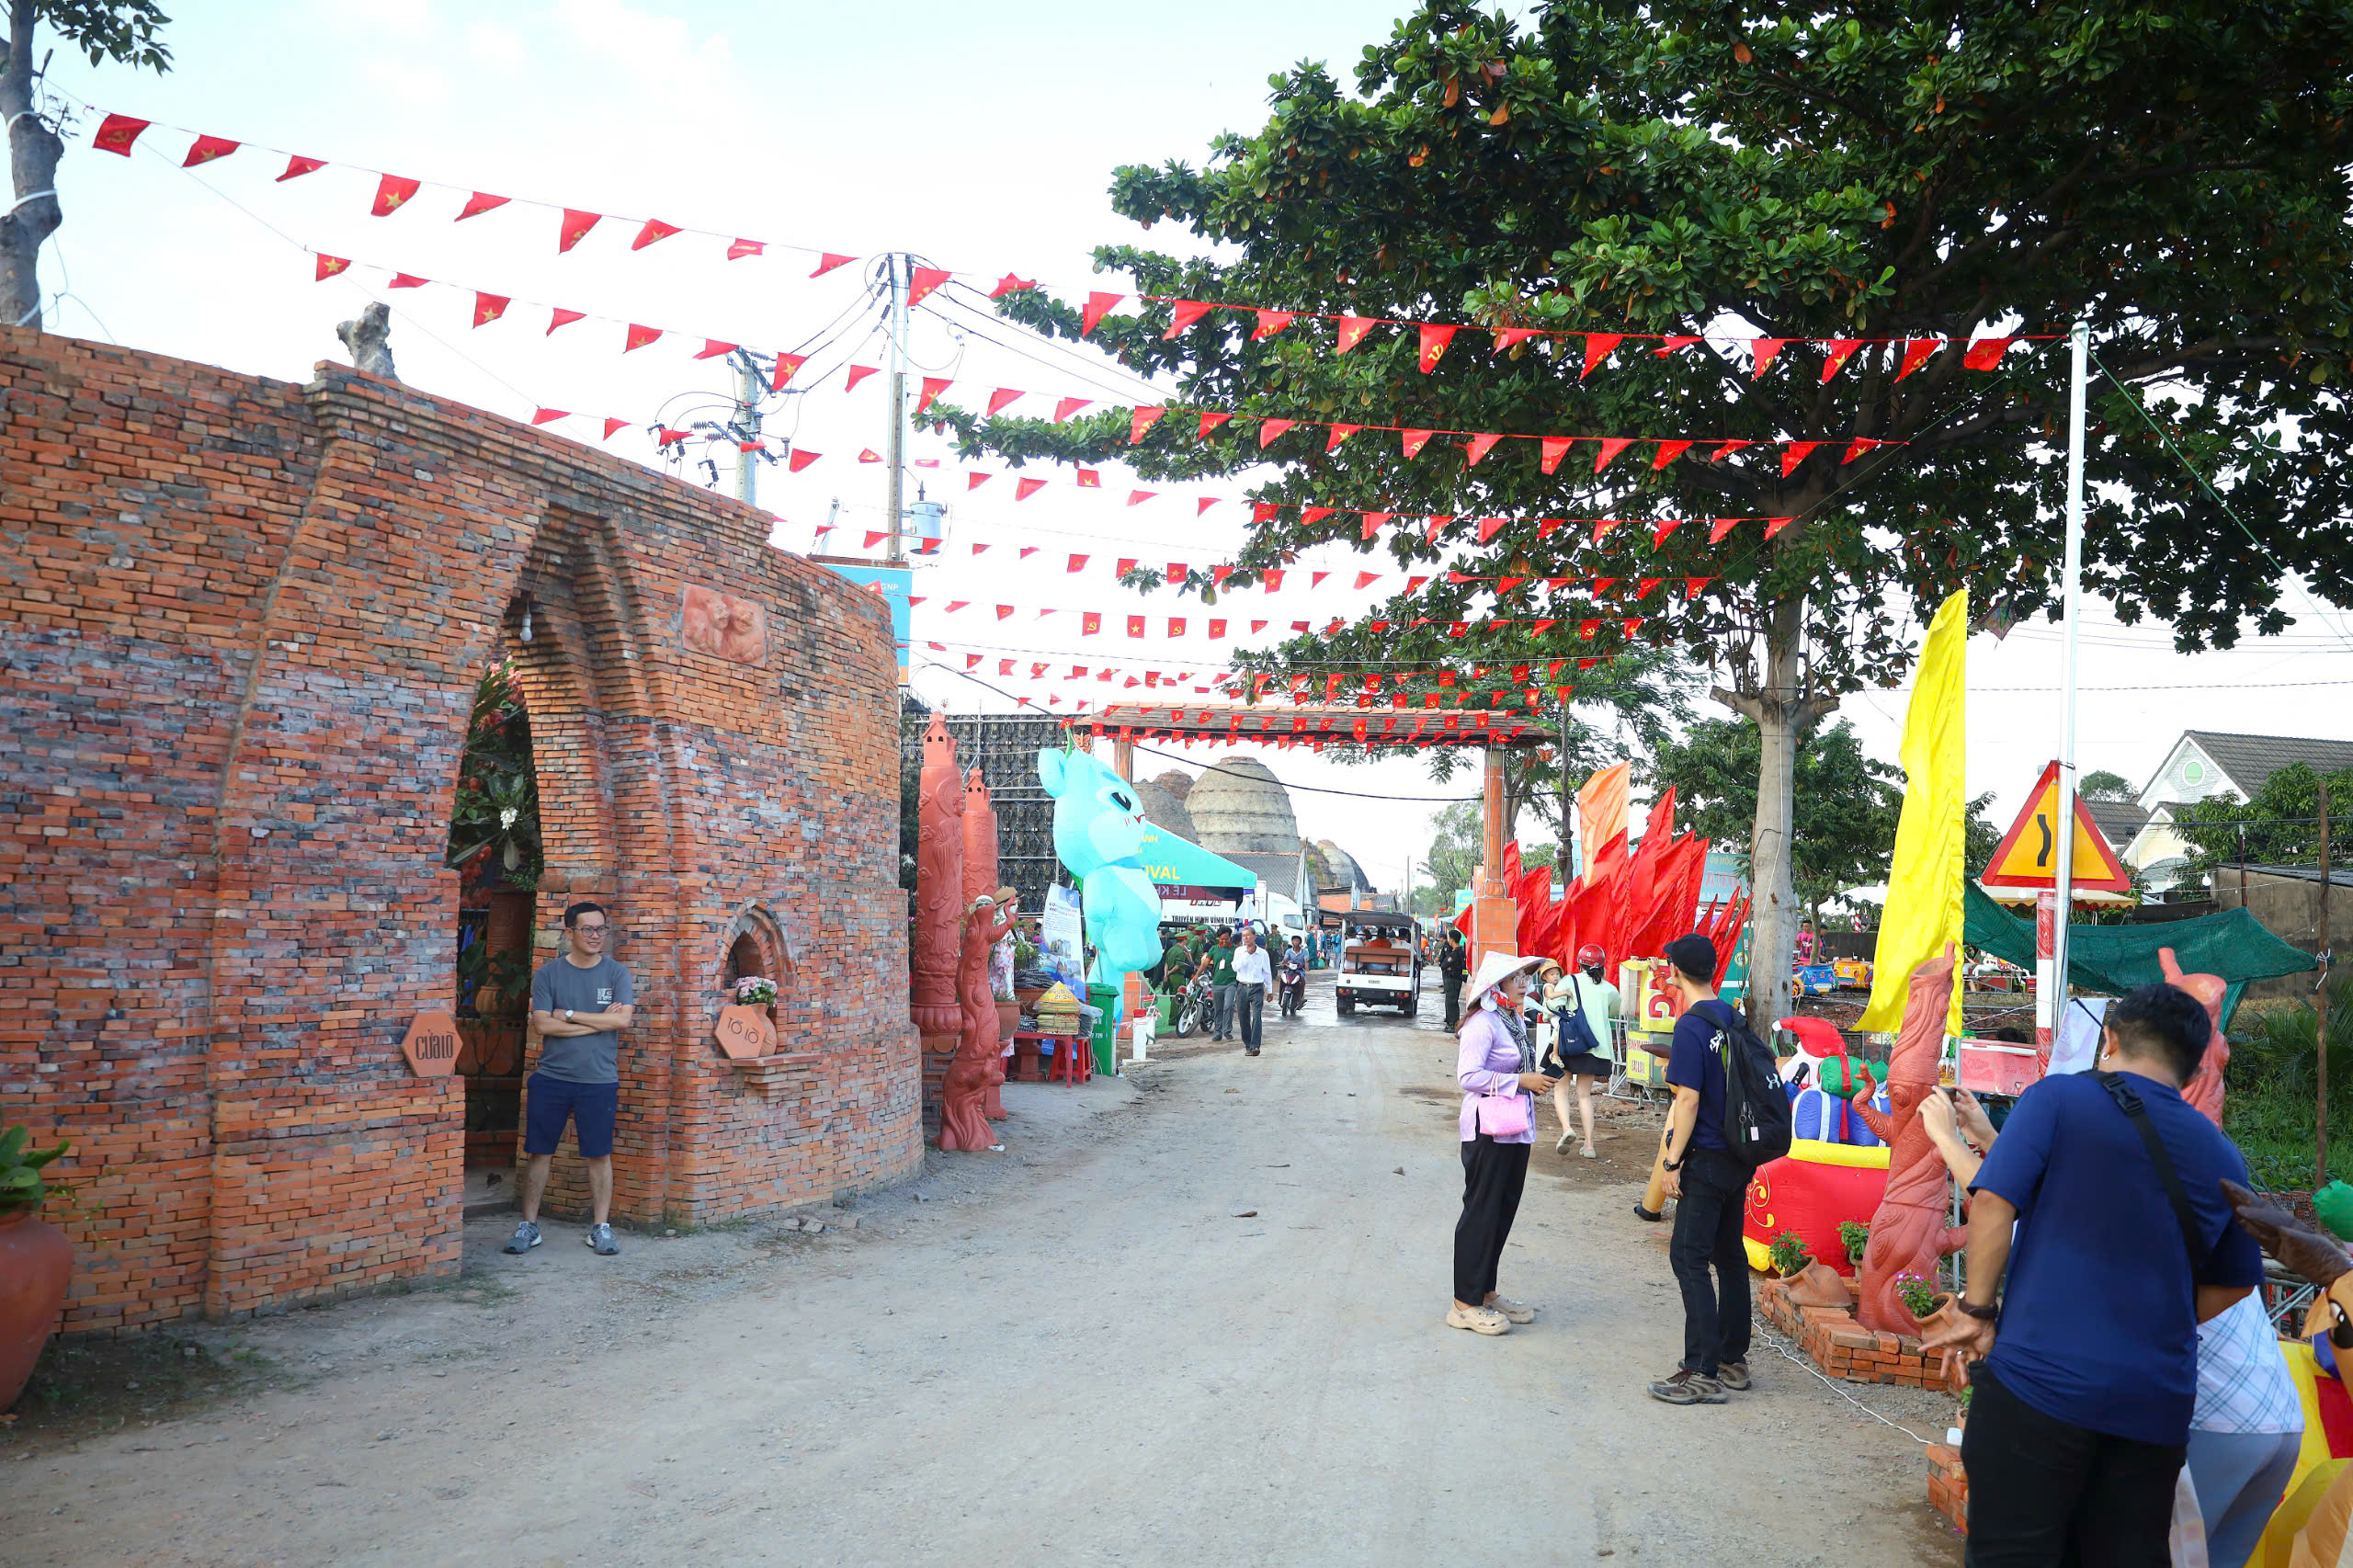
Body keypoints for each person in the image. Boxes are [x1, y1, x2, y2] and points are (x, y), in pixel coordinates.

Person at [1919, 983, 2266, 1565]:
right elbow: (2237, 1280)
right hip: (2154, 1406)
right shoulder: (2221, 1154)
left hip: (2039, 1389)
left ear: (2110, 1038)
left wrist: (1978, 1311)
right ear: (2196, 1063)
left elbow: (1994, 1201)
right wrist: (2155, 1319)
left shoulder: (2058, 1101)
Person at [1647, 933, 1749, 1405]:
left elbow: (1687, 1100)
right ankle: (1732, 1359)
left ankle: (1702, 1370)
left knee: (1688, 1257)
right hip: (1738, 1157)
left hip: (1705, 1157)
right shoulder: (1733, 1017)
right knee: (1728, 1255)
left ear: (1677, 972)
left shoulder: (1691, 1027)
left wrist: (1671, 1162)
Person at [506, 902, 636, 1258]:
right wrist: (595, 1021)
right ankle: (529, 1226)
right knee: (539, 1152)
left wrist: (569, 1015)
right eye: (588, 930)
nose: (596, 936)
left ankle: (601, 1228)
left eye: (601, 929)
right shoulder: (548, 974)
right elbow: (543, 1025)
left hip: (599, 1080)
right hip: (552, 1077)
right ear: (570, 933)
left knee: (599, 1154)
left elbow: (621, 1022)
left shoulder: (616, 974)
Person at [1449, 951, 1554, 1335]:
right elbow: (1468, 1076)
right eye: (1517, 979)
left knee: (1502, 1209)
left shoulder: (1511, 1019)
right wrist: (1519, 1082)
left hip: (1513, 1127)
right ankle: (1464, 1302)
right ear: (1496, 986)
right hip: (1486, 1129)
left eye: (1526, 977)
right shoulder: (1482, 1024)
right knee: (1481, 1211)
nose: (1525, 984)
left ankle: (1486, 1292)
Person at [1548, 943, 1620, 1159]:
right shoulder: (1609, 989)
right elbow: (1614, 1010)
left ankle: (1567, 1129)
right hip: (1595, 1047)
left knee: (1561, 1091)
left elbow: (1553, 1006)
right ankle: (1589, 1146)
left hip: (1568, 1044)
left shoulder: (1569, 981)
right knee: (1584, 1095)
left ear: (1580, 963)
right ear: (1602, 966)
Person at [1231, 926, 1274, 1056]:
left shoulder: (1263, 953)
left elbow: (1267, 973)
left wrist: (1270, 991)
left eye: (1248, 935)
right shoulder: (1239, 951)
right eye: (1244, 936)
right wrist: (1247, 955)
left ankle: (1255, 1046)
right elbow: (1235, 967)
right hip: (1242, 987)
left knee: (1256, 1017)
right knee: (1243, 1018)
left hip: (1257, 988)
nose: (1246, 938)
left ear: (1255, 936)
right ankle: (1248, 1045)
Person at [1209, 930, 1239, 1041]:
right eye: (1221, 939)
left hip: (1231, 983)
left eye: (1226, 939)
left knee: (1229, 1006)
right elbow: (1205, 963)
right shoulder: (1214, 949)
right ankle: (1218, 1032)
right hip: (1216, 983)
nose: (1224, 941)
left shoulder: (1235, 950)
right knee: (1218, 1009)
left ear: (1230, 938)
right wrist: (1197, 975)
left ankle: (1227, 1030)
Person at [1438, 930, 1468, 1029]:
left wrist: (1449, 968)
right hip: (1457, 980)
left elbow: (1444, 965)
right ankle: (1452, 1023)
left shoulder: (1454, 953)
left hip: (1452, 980)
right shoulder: (1461, 951)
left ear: (1452, 939)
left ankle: (1452, 1024)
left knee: (1450, 1002)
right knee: (1452, 1002)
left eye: (1449, 938)